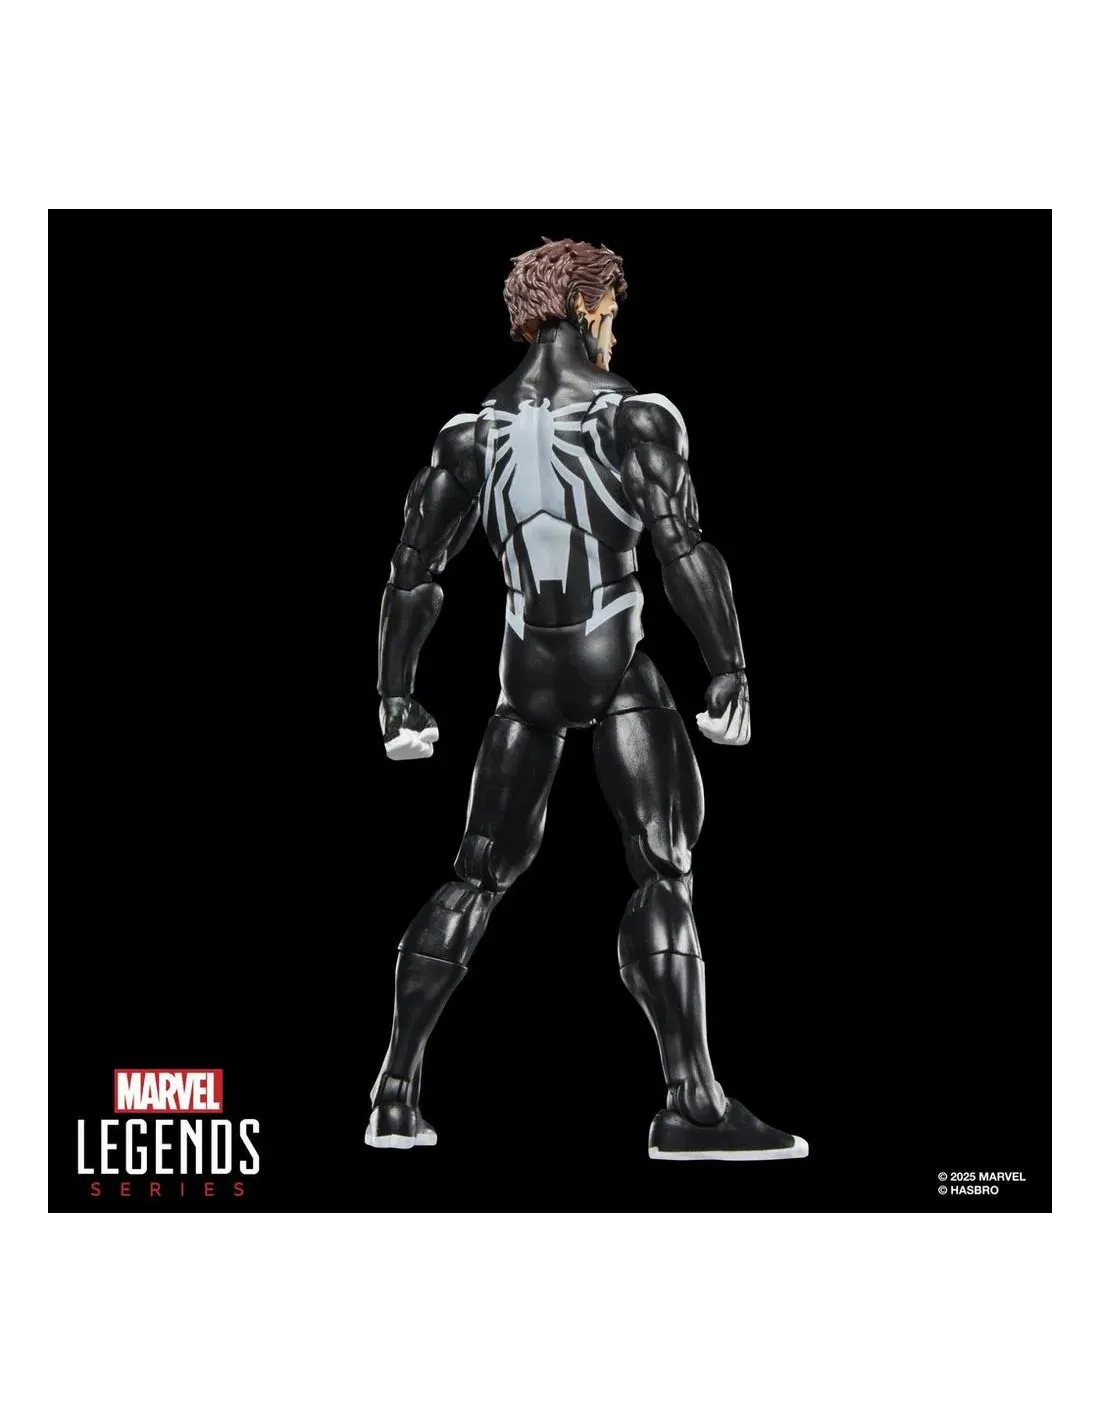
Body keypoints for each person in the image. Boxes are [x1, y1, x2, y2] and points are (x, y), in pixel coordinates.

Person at [368, 237, 806, 1161]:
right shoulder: (632, 416)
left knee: (476, 875)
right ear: (589, 308)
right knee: (662, 868)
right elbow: (681, 545)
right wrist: (729, 665)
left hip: (524, 674)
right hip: (613, 664)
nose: (614, 331)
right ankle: (692, 1108)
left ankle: (393, 1097)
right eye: (612, 313)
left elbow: (412, 572)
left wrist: (395, 694)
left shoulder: (468, 433)